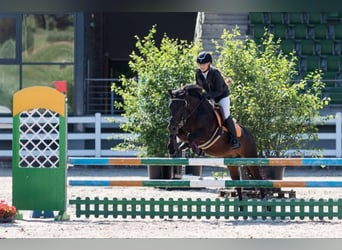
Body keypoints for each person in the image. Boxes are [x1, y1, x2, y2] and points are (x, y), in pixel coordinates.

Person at [195, 51, 240, 149]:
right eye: (200, 64)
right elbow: (198, 86)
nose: (201, 66)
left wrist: (207, 95)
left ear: (209, 64)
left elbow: (219, 91)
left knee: (225, 115)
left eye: (203, 64)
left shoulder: (215, 73)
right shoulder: (198, 73)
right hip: (209, 97)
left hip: (221, 97)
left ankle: (234, 139)